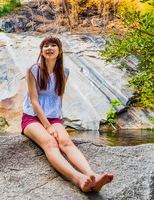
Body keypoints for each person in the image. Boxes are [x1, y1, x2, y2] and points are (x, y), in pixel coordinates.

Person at [22, 36, 113, 192]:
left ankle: (93, 177)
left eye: (53, 45)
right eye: (45, 46)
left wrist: (57, 122)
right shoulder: (33, 70)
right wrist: (48, 127)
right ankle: (78, 178)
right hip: (32, 118)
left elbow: (59, 97)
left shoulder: (64, 72)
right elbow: (34, 102)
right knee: (50, 143)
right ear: (42, 51)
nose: (49, 48)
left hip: (54, 118)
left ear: (60, 50)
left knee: (66, 143)